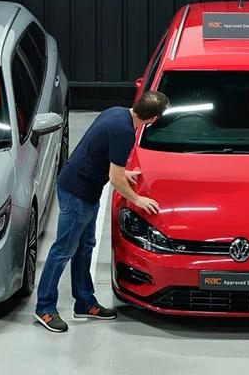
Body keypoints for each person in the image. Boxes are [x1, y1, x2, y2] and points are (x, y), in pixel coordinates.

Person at [34, 91, 168, 333]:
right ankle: (44, 307)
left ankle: (85, 302)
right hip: (77, 195)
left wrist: (124, 174)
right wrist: (138, 199)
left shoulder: (116, 113)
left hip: (84, 191)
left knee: (85, 247)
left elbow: (102, 154)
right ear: (153, 119)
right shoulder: (125, 133)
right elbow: (114, 179)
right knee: (62, 251)